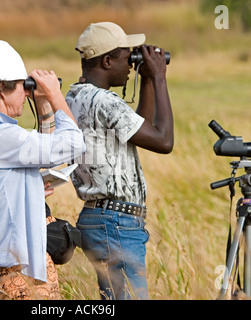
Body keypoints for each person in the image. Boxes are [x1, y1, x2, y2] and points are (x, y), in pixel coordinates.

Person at [0, 40, 85, 300]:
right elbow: (74, 144)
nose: (25, 93)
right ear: (1, 90)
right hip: (14, 274)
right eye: (22, 86)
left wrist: (43, 107)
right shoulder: (2, 137)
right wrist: (54, 95)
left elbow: (47, 155)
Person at [65, 22, 174, 300]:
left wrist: (146, 78)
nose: (130, 64)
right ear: (106, 60)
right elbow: (163, 141)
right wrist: (160, 77)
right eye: (127, 57)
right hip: (116, 223)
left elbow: (142, 128)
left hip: (96, 218)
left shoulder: (74, 96)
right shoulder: (105, 102)